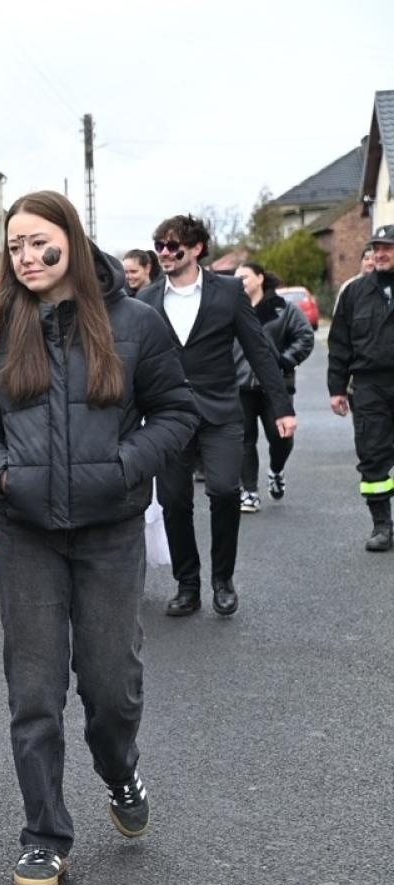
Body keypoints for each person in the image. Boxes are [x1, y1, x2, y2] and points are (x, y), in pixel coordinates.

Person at [0, 190, 199, 885]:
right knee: (33, 691)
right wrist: (0, 475)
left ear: (70, 237)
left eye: (40, 242)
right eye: (15, 247)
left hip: (109, 531)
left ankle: (119, 767)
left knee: (109, 686)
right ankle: (44, 834)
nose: (27, 258)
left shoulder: (136, 324)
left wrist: (124, 468)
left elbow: (177, 411)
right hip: (28, 535)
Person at [137, 214, 295, 617]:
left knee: (225, 490)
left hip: (221, 411)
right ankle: (187, 585)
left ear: (196, 249)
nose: (165, 253)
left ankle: (222, 580)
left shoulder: (228, 292)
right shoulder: (148, 300)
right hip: (168, 417)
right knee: (174, 501)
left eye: (173, 246)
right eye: (160, 246)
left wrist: (282, 407)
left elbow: (259, 350)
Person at [326, 223, 394, 552]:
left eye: (388, 248)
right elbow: (340, 344)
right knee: (372, 455)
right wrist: (337, 388)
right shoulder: (355, 292)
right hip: (370, 386)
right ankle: (381, 525)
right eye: (376, 248)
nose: (380, 254)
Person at [232, 264, 314, 511]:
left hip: (275, 387)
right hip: (240, 385)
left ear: (260, 278)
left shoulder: (283, 309)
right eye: (236, 278)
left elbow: (305, 337)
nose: (239, 282)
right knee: (244, 440)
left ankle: (276, 470)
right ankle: (249, 492)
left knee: (281, 439)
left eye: (244, 277)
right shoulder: (230, 310)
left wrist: (284, 360)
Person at [335, 244, 375, 313]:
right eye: (366, 259)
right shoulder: (349, 286)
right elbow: (338, 314)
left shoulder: (384, 286)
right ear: (361, 262)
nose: (370, 262)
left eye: (374, 259)